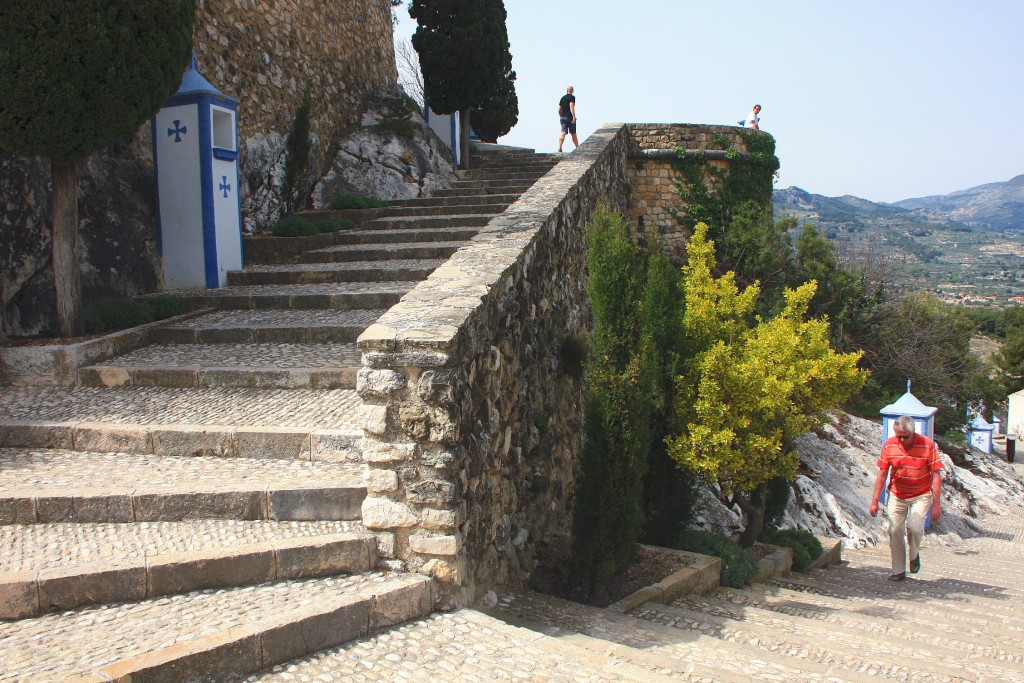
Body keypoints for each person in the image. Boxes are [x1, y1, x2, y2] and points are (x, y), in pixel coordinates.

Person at [869, 415, 943, 581]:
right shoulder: (889, 446)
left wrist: (936, 504)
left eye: (905, 436)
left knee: (915, 527)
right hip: (897, 493)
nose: (901, 440)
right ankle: (898, 571)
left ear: (913, 431)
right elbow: (882, 474)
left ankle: (914, 554)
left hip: (922, 493)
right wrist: (874, 501)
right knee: (895, 530)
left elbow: (936, 475)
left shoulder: (927, 445)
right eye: (898, 436)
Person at [557, 86, 578, 152]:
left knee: (563, 132)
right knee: (573, 133)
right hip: (569, 117)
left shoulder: (562, 98)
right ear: (572, 91)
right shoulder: (572, 97)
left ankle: (559, 148)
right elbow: (571, 107)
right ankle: (578, 148)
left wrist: (561, 116)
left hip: (563, 117)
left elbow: (559, 110)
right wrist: (574, 117)